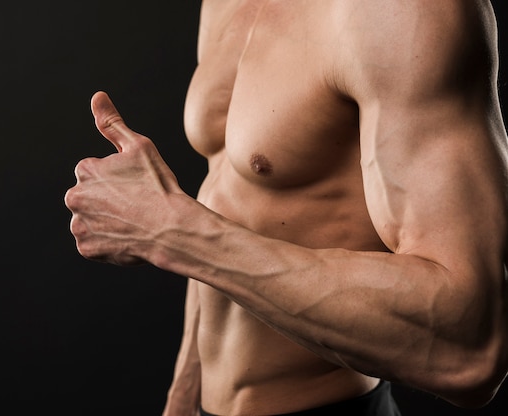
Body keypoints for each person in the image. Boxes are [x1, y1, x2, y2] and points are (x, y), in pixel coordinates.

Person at [64, 0, 508, 415]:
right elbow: (226, 191)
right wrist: (182, 398)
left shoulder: (405, 12)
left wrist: (173, 231)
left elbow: (471, 342)